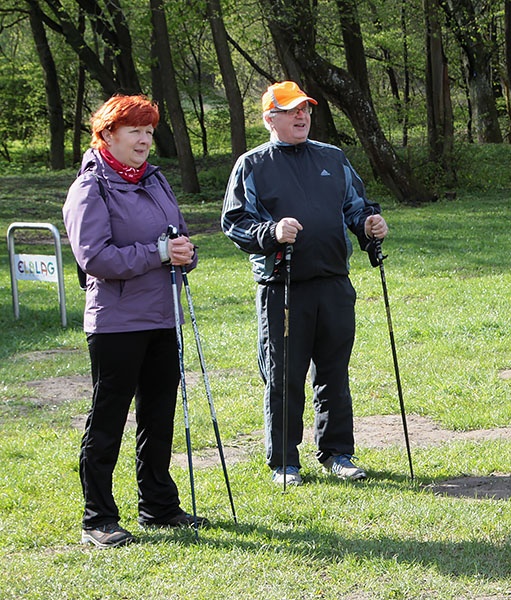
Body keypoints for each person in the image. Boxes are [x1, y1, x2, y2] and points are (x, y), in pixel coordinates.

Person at [221, 81, 388, 486]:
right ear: (269, 119)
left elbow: (355, 206)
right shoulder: (252, 164)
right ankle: (284, 462)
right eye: (292, 111)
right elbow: (234, 222)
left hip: (333, 283)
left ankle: (337, 453)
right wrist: (272, 232)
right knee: (284, 375)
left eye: (306, 110)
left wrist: (369, 225)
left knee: (335, 372)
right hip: (282, 287)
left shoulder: (332, 157)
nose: (302, 116)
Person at [63, 94, 205, 549]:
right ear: (107, 135)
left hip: (164, 316)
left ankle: (158, 507)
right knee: (108, 421)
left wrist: (184, 253)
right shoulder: (90, 188)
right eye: (134, 131)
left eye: (149, 131)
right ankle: (97, 518)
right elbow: (94, 258)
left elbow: (177, 233)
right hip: (116, 324)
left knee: (159, 416)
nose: (145, 140)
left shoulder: (155, 179)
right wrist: (158, 254)